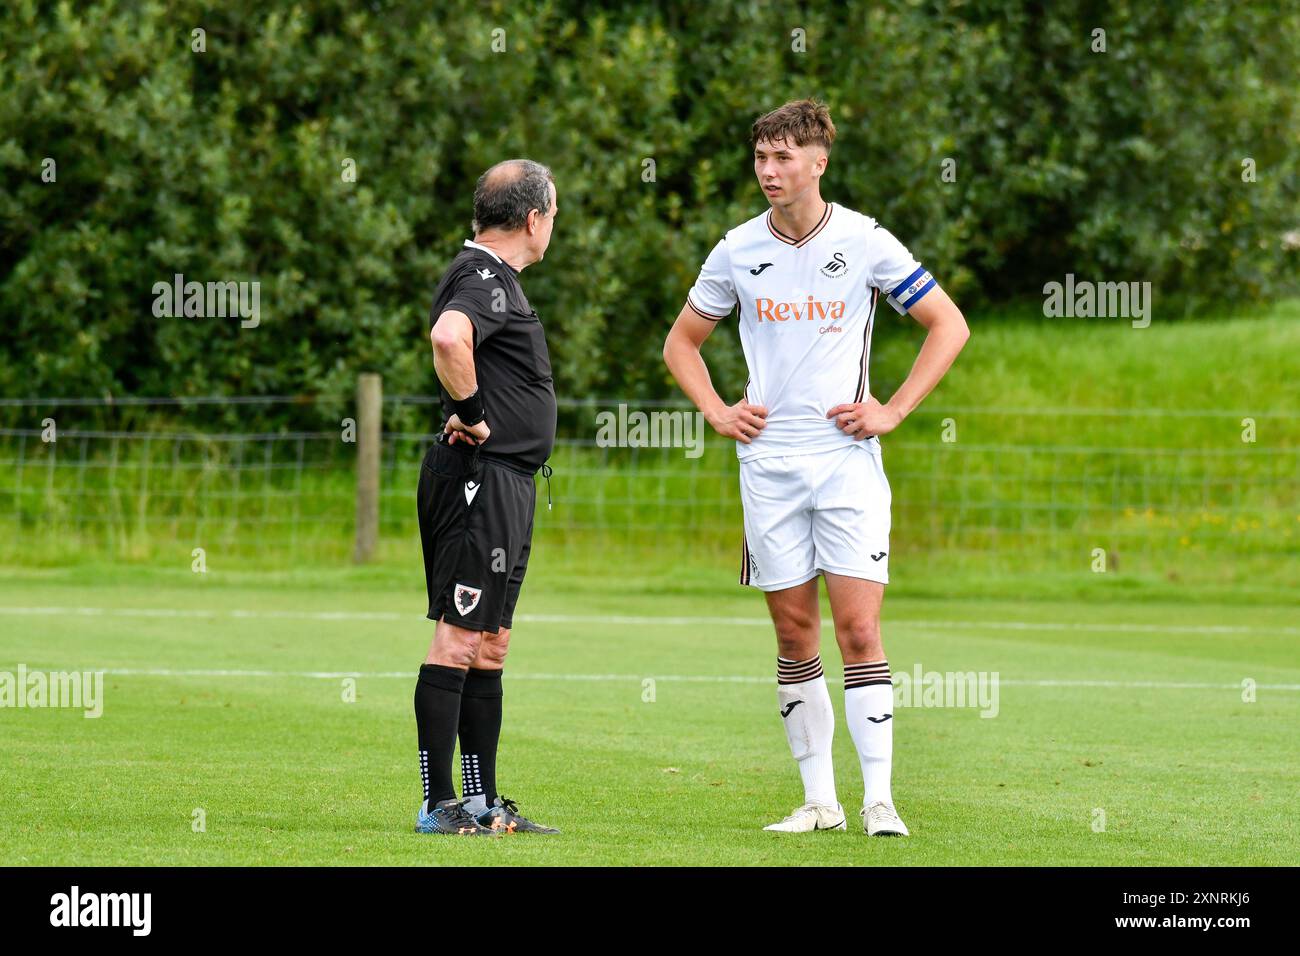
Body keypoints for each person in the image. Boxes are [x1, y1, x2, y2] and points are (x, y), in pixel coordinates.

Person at [663, 100, 970, 836]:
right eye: (762, 157)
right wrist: (715, 409)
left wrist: (892, 409)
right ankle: (819, 802)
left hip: (845, 462)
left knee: (860, 631)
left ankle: (879, 800)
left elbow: (947, 325)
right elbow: (682, 343)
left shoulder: (864, 241)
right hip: (767, 466)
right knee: (795, 633)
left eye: (784, 157)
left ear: (818, 162)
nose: (769, 171)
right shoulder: (736, 248)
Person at [413, 159, 560, 836]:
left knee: (490, 644)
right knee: (459, 635)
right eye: (553, 213)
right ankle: (438, 801)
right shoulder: (481, 277)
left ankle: (481, 801)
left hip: (508, 483)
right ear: (533, 219)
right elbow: (449, 337)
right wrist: (472, 412)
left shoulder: (494, 279)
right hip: (481, 478)